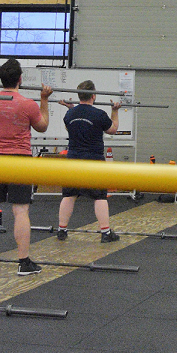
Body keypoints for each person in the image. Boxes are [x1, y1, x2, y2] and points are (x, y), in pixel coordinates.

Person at [0, 59, 52, 275]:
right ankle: (23, 263)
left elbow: (4, 108)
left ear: (1, 79)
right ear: (20, 79)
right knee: (20, 210)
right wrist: (44, 100)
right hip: (19, 160)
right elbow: (43, 126)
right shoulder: (28, 104)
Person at [56, 80, 120, 242]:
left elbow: (71, 128)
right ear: (94, 95)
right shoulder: (99, 114)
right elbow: (113, 129)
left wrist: (72, 109)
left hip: (73, 160)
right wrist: (115, 111)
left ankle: (61, 230)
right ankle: (106, 233)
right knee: (100, 196)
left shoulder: (70, 114)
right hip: (93, 160)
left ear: (79, 96)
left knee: (69, 194)